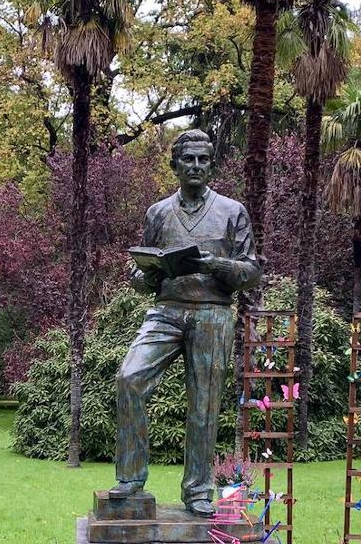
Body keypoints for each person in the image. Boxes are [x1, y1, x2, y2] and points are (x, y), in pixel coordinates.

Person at [109, 129, 260, 518]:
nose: (195, 166)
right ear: (175, 164)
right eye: (188, 159)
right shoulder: (158, 213)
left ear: (211, 165)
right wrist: (142, 275)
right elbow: (146, 269)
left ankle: (197, 490)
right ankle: (130, 479)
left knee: (204, 404)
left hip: (212, 312)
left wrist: (218, 265)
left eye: (203, 160)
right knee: (129, 377)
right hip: (167, 310)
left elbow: (251, 270)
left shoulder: (232, 211)